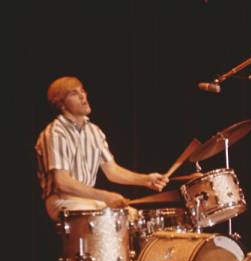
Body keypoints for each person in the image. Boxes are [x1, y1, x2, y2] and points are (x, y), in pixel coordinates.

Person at [35, 76, 168, 221]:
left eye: (82, 91)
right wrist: (105, 197)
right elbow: (63, 182)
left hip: (87, 199)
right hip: (62, 200)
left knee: (134, 216)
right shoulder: (55, 132)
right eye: (74, 93)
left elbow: (112, 170)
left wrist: (146, 180)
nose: (82, 96)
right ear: (61, 104)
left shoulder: (94, 131)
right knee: (110, 215)